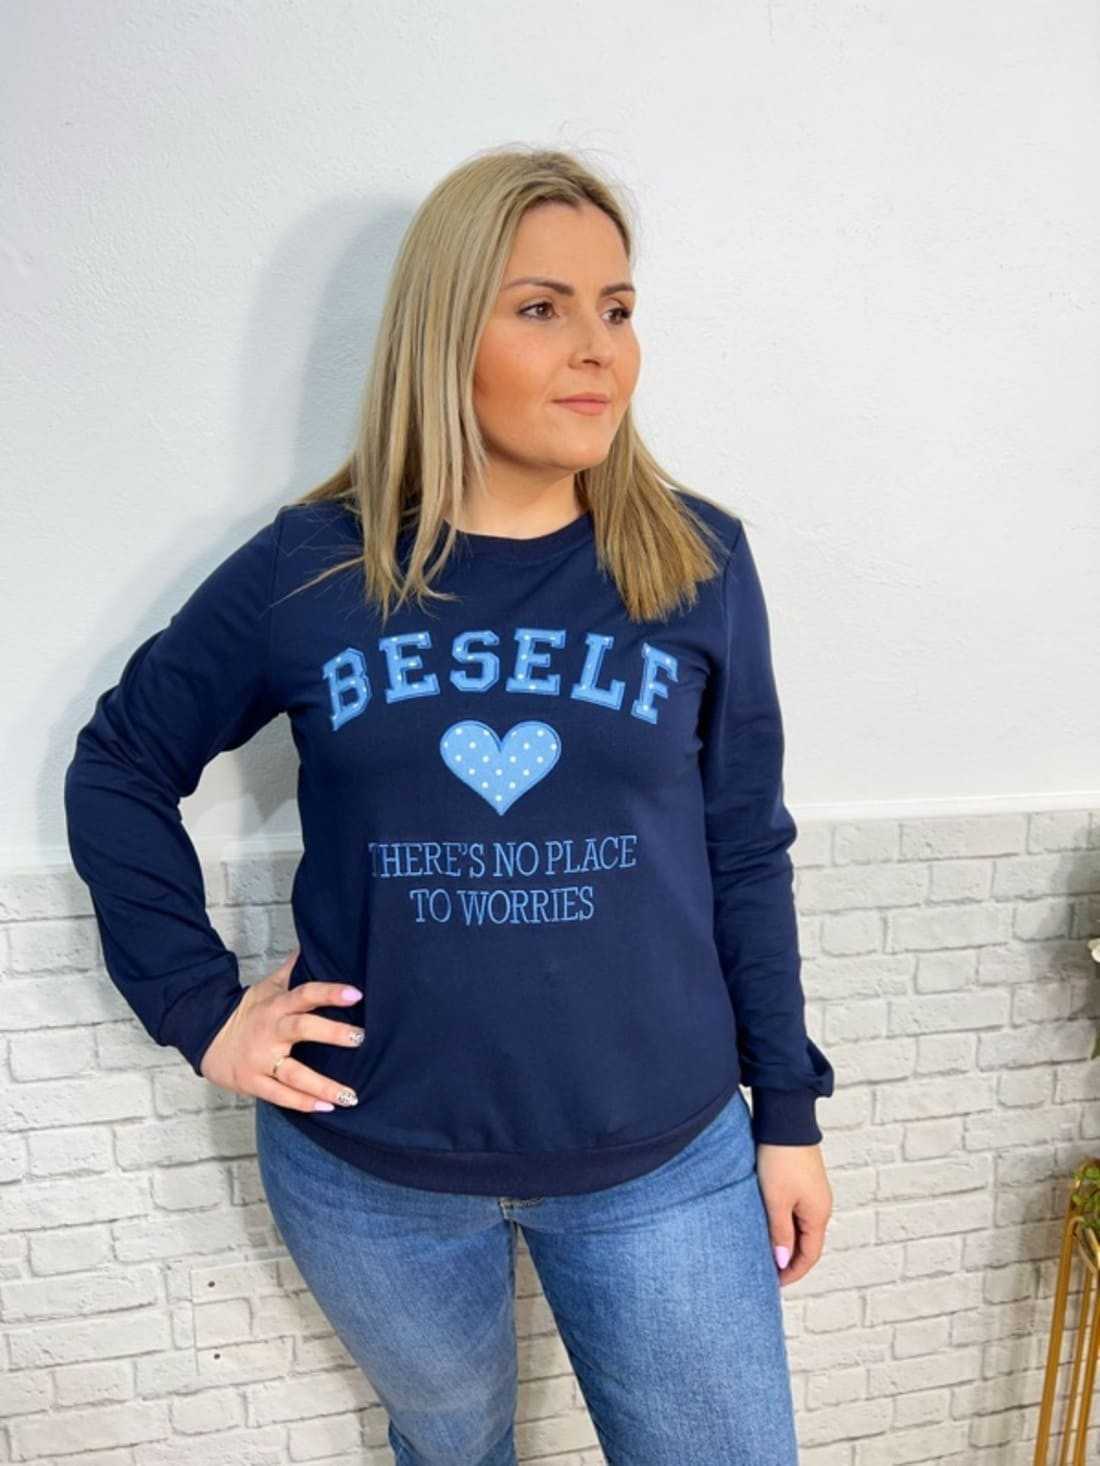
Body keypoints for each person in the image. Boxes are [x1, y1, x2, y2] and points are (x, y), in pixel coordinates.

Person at [64, 144, 835, 1465]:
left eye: (617, 308)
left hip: (667, 1160)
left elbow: (745, 849)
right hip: (373, 1176)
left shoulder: (696, 561)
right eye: (542, 307)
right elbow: (122, 762)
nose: (596, 349)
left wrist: (790, 1113)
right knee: (454, 1449)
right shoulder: (315, 572)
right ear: (444, 335)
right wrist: (199, 1009)